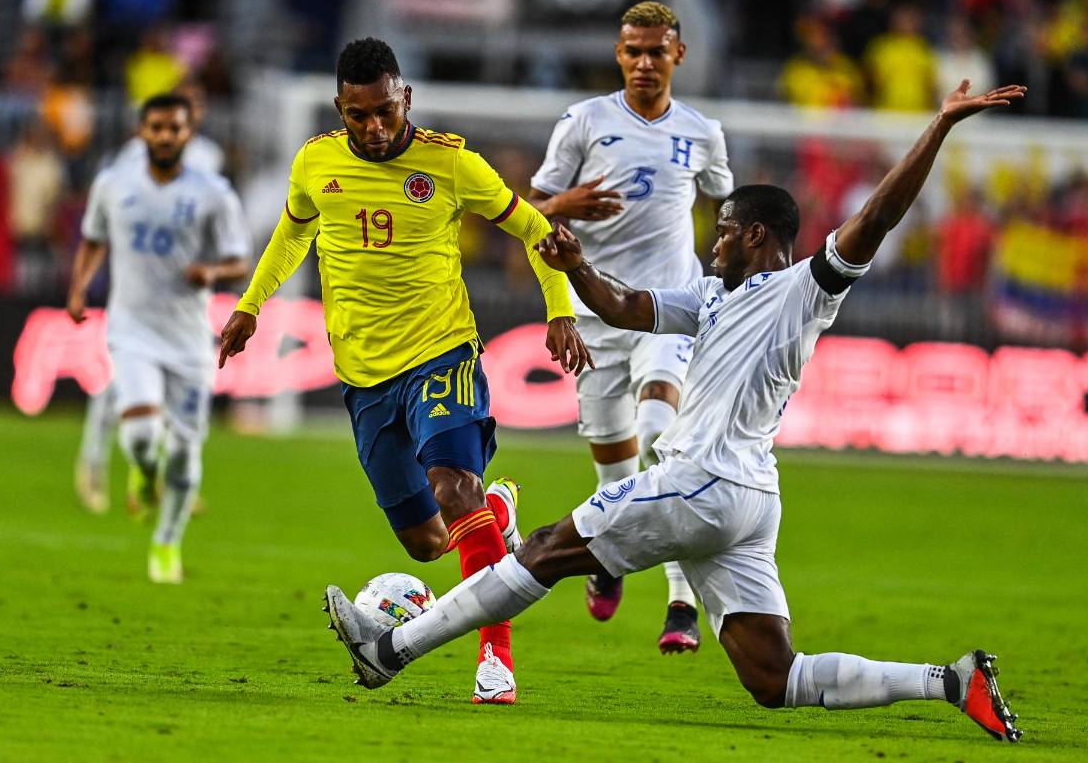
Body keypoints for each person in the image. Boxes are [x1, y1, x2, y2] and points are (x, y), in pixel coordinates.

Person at [324, 81, 1027, 745]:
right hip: (750, 501)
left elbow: (876, 218)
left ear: (756, 236)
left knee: (541, 550)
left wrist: (937, 127)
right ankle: (949, 681)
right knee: (774, 677)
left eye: (722, 229)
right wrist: (573, 264)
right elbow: (625, 307)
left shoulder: (801, 290)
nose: (711, 240)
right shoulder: (714, 297)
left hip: (701, 479)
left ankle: (388, 649)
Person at [216, 38, 589, 705]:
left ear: (405, 97)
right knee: (426, 542)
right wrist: (251, 305)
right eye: (360, 115)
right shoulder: (315, 162)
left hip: (441, 353)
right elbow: (293, 231)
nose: (376, 127)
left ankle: (495, 662)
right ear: (341, 108)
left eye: (386, 110)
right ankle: (496, 512)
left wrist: (560, 308)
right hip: (364, 377)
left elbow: (537, 229)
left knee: (453, 488)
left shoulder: (450, 164)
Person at [528, 0, 734, 652]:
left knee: (660, 436)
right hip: (594, 315)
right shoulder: (584, 122)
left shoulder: (703, 132)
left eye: (656, 51)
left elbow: (727, 211)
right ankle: (610, 561)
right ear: (619, 56)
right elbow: (530, 214)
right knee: (616, 471)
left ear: (679, 54)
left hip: (668, 307)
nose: (644, 62)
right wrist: (564, 204)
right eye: (632, 51)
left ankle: (680, 604)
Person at [66, 92, 251, 584]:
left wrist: (210, 270)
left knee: (188, 451)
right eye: (157, 127)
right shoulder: (113, 182)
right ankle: (143, 473)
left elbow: (240, 260)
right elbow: (93, 238)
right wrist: (80, 287)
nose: (166, 136)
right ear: (142, 131)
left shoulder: (214, 191)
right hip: (131, 329)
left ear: (189, 133)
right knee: (144, 436)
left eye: (176, 128)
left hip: (189, 337)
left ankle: (166, 544)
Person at [75, 80, 225, 514]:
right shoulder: (134, 155)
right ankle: (92, 464)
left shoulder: (209, 157)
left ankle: (172, 477)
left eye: (197, 105)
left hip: (184, 295)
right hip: (138, 288)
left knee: (185, 389)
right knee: (117, 386)